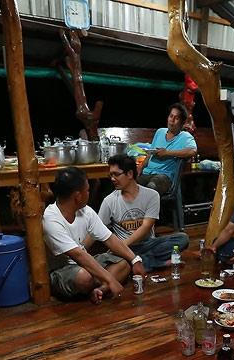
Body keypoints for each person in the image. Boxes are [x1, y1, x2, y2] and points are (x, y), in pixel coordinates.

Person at [43, 167, 147, 303]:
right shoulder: (51, 218)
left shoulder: (86, 211)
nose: (89, 193)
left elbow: (109, 239)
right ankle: (102, 284)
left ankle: (101, 289)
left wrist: (135, 260)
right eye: (87, 190)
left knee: (124, 263)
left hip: (85, 264)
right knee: (84, 277)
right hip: (62, 271)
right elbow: (78, 255)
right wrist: (110, 279)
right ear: (77, 196)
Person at [97, 154, 188, 272]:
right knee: (114, 258)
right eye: (111, 175)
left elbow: (146, 226)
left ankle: (138, 263)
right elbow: (98, 229)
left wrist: (123, 246)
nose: (113, 179)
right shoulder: (109, 200)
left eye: (116, 174)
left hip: (147, 244)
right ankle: (153, 263)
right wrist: (119, 248)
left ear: (130, 174)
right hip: (126, 249)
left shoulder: (151, 195)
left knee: (182, 238)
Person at [138, 103, 198, 196]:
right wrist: (140, 167)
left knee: (151, 188)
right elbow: (150, 154)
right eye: (171, 116)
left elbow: (192, 151)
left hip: (165, 176)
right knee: (127, 185)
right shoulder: (160, 132)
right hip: (147, 173)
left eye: (176, 118)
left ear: (182, 123)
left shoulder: (185, 136)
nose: (172, 120)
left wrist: (167, 153)